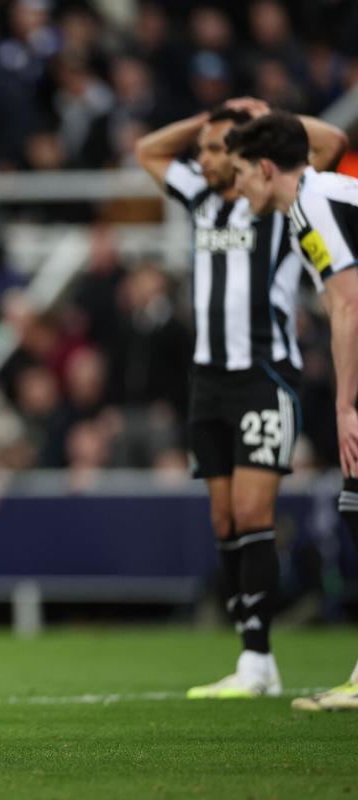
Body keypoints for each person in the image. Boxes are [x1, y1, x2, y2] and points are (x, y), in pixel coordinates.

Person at [135, 100, 346, 699]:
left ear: (243, 154)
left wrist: (267, 117)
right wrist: (203, 118)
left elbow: (326, 144)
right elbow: (148, 150)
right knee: (225, 519)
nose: (200, 159)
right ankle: (254, 654)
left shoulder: (276, 202)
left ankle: (257, 658)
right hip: (208, 383)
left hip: (263, 377)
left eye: (211, 149)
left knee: (254, 515)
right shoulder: (202, 200)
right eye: (199, 151)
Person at [227, 110, 358, 711]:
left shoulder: (310, 204)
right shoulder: (329, 193)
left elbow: (348, 303)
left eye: (241, 174)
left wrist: (346, 403)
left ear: (264, 168)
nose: (239, 189)